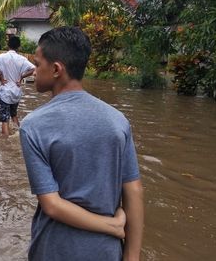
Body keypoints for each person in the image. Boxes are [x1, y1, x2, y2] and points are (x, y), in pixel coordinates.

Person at [19, 27, 143, 261]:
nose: (34, 71)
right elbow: (134, 190)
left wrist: (113, 227)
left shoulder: (33, 126)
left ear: (56, 69)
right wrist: (132, 255)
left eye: (37, 64)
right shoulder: (118, 120)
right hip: (107, 251)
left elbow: (52, 205)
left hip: (55, 249)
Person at [0, 36, 35, 135]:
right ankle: (19, 135)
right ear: (18, 47)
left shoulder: (2, 56)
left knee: (5, 120)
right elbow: (33, 69)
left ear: (7, 45)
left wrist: (1, 78)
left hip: (5, 93)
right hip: (16, 92)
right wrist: (22, 77)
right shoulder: (22, 59)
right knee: (14, 115)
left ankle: (6, 143)